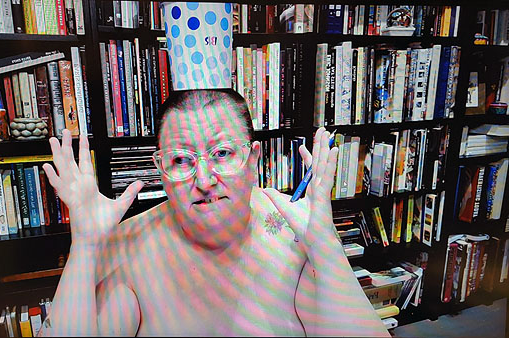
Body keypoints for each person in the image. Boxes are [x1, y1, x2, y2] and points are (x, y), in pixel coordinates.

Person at [39, 89, 389, 336]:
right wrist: (84, 248)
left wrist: (326, 246)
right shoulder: (131, 247)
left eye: (222, 153)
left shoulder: (291, 230)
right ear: (161, 170)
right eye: (181, 160)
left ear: (252, 161)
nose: (205, 180)